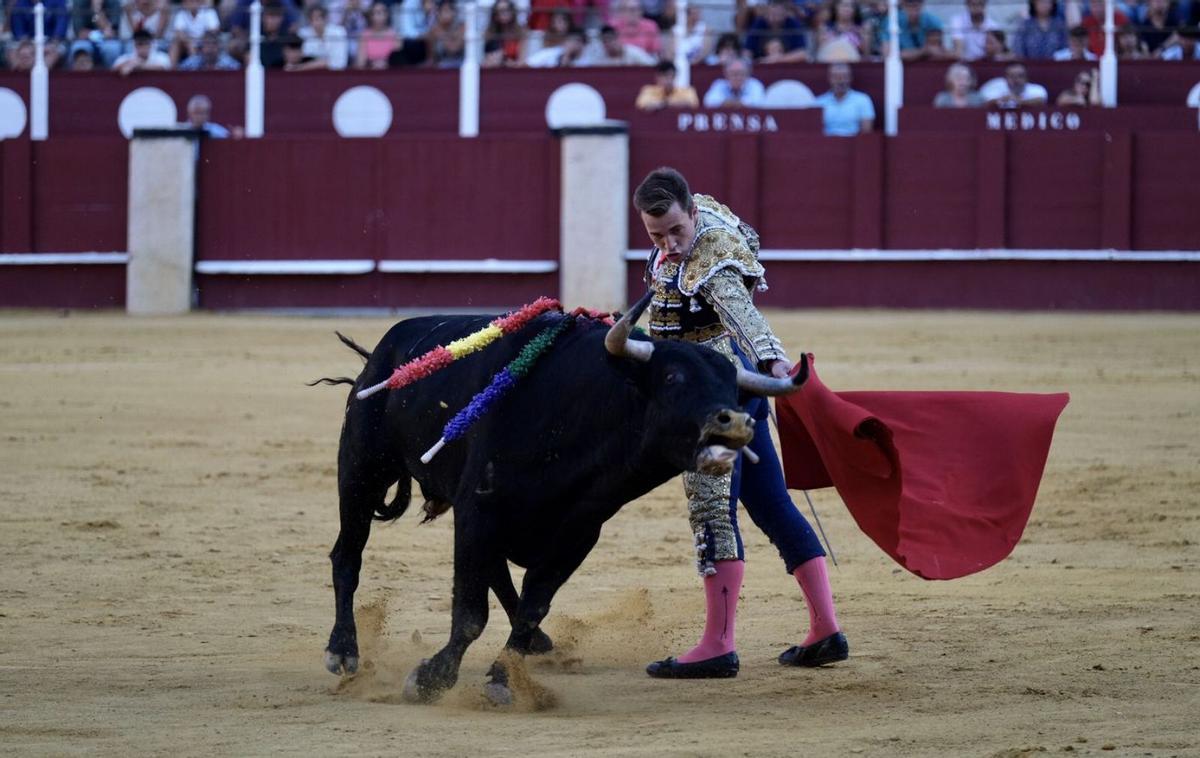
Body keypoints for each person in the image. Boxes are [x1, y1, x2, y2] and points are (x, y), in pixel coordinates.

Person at [633, 167, 847, 679]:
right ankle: (826, 629)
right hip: (737, 389)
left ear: (693, 214)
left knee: (712, 507)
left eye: (676, 231)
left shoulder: (711, 255)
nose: (670, 244)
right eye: (656, 235)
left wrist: (775, 363)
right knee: (772, 502)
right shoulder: (692, 220)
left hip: (720, 404)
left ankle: (718, 644)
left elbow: (741, 314)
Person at [814, 62, 874, 136]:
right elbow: (814, 131)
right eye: (836, 77)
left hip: (853, 144)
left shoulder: (863, 100)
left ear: (850, 78)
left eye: (844, 76)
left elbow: (866, 131)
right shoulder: (819, 102)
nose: (841, 81)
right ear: (829, 78)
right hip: (826, 145)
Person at [635, 59, 699, 110]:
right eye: (665, 76)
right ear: (658, 77)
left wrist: (664, 104)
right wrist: (667, 104)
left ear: (675, 76)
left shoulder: (687, 90)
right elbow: (641, 104)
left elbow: (693, 104)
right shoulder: (648, 90)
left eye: (671, 76)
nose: (668, 80)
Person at [581, 23, 656, 64]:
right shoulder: (599, 57)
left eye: (610, 39)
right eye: (605, 41)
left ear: (618, 38)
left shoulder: (633, 52)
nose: (608, 43)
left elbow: (652, 64)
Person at [980, 62, 1048, 106]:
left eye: (1020, 76)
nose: (1016, 80)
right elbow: (984, 102)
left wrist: (1019, 101)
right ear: (1005, 78)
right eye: (1012, 76)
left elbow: (1040, 100)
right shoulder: (995, 86)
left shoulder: (1037, 89)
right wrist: (1000, 100)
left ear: (1026, 78)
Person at [357, 0, 400, 68]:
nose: (376, 16)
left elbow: (397, 61)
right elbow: (360, 63)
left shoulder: (394, 35)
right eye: (374, 13)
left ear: (386, 15)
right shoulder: (364, 35)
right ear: (370, 16)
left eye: (379, 13)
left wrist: (385, 63)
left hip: (390, 73)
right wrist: (372, 64)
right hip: (369, 73)